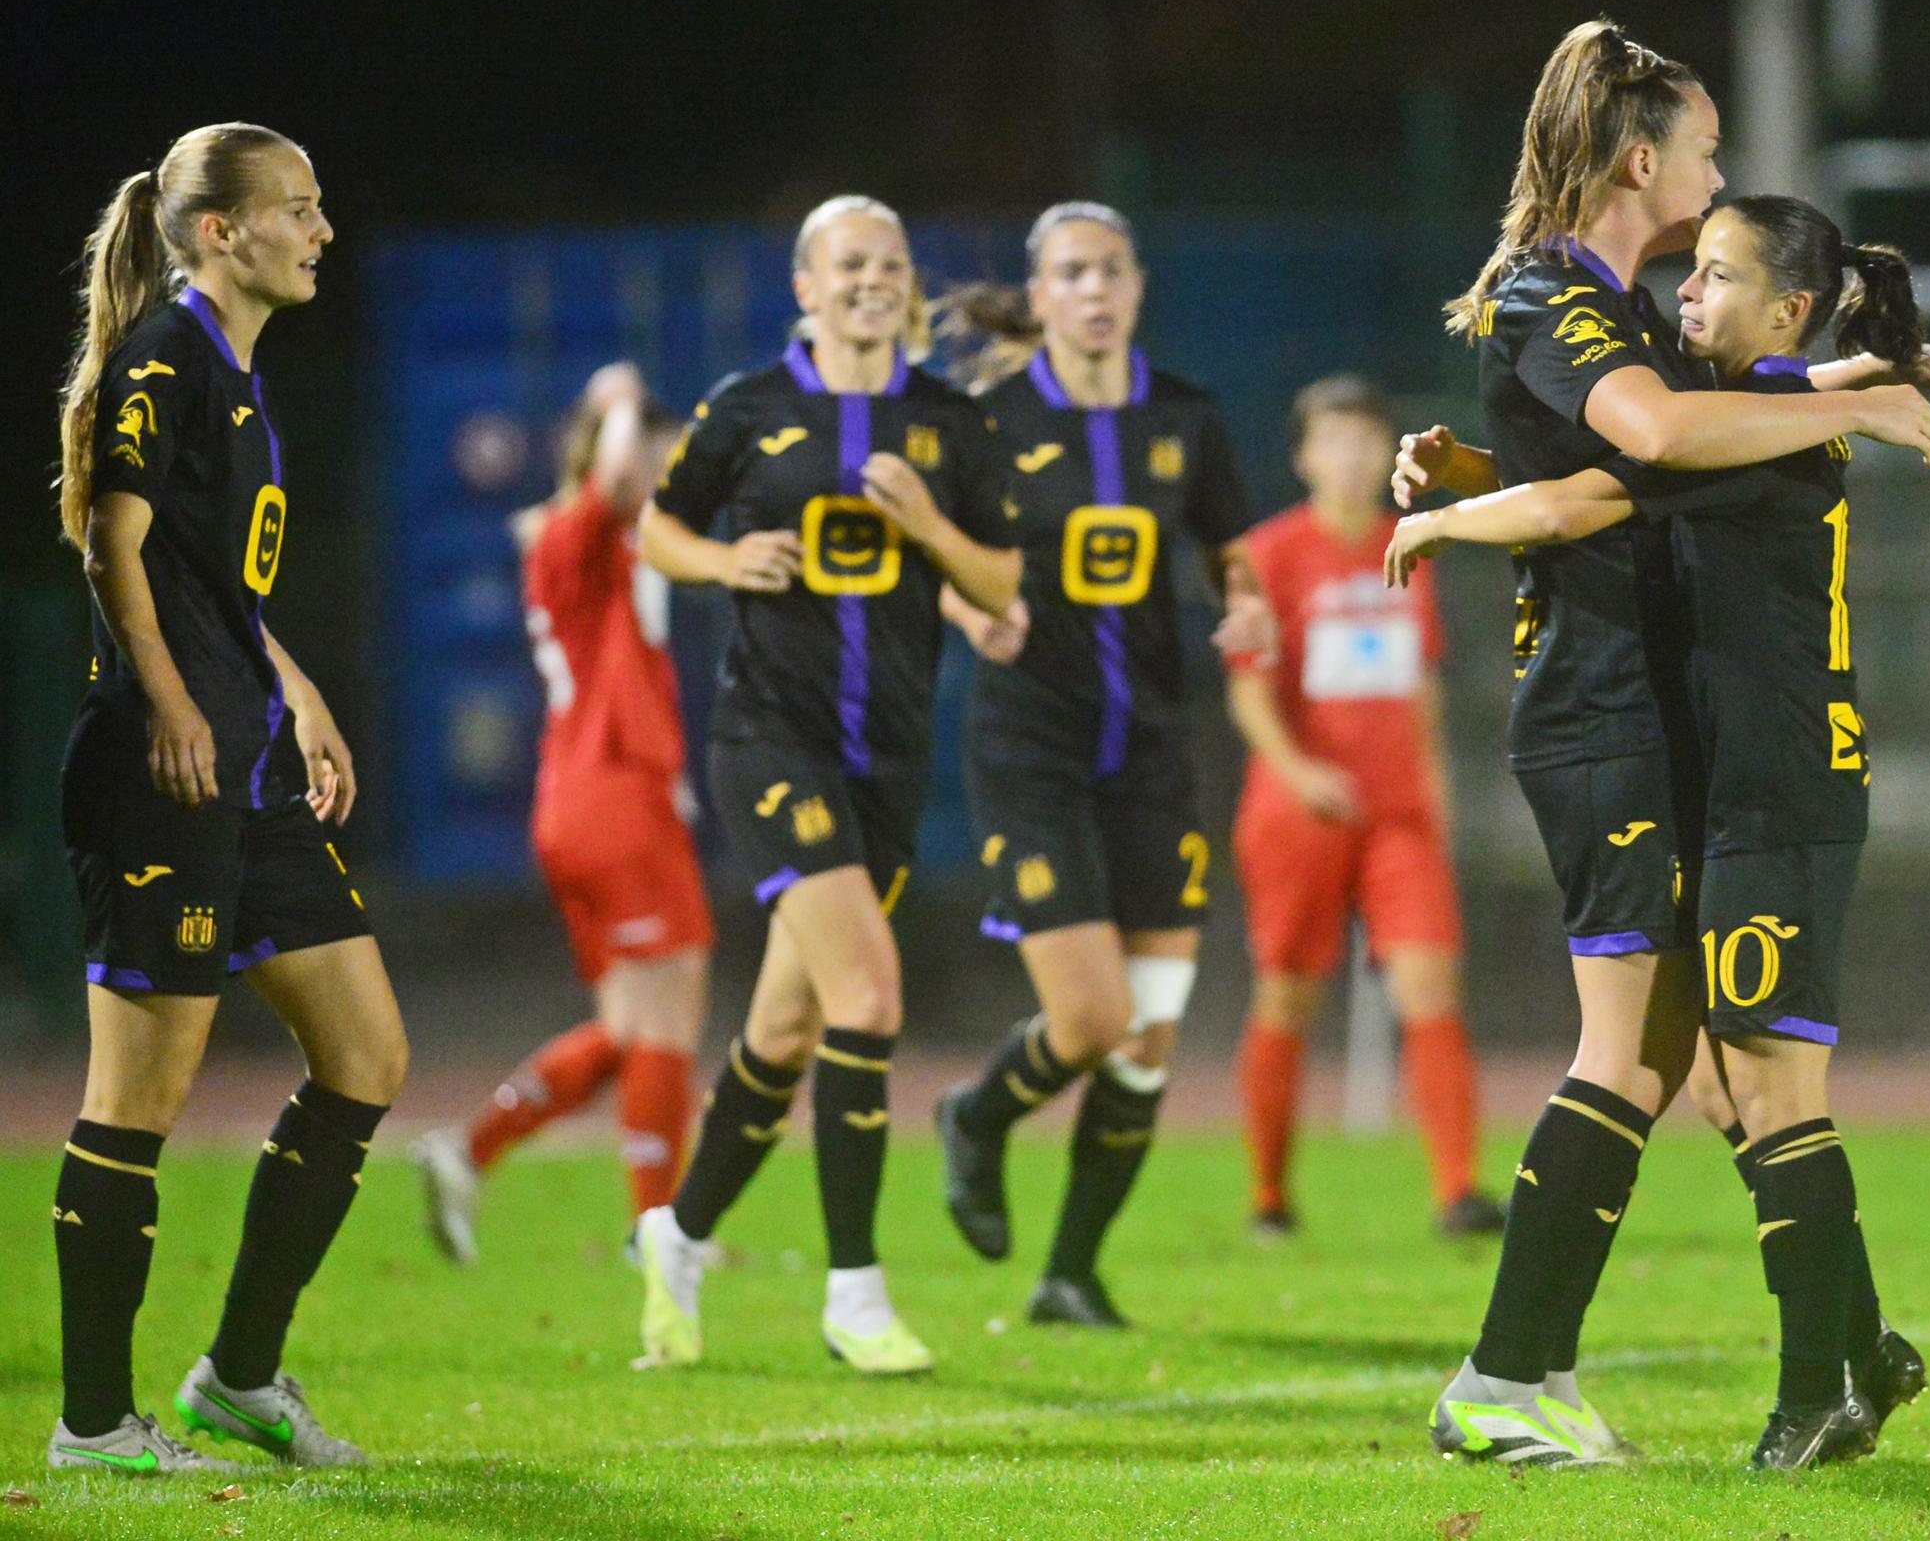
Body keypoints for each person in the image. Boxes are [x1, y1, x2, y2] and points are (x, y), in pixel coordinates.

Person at [1387, 21, 1930, 1472]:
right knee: (1637, 1055)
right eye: (1708, 151)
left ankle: (1842, 1346)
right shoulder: (1564, 294)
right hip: (1602, 716)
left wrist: (1853, 377)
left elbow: (1617, 453)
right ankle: (1509, 1376)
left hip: (1647, 718)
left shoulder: (1626, 308)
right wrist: (1854, 394)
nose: (1723, 174)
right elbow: (1644, 444)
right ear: (1642, 160)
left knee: (1691, 1058)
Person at [47, 123, 407, 1475]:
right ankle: (92, 1423)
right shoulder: (165, 355)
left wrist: (291, 690)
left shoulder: (244, 382)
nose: (320, 232)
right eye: (296, 210)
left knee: (367, 1055)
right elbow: (111, 537)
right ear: (220, 231)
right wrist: (178, 704)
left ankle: (239, 1379)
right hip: (165, 772)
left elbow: (215, 586)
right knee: (140, 1094)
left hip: (247, 765)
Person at [625, 196, 1019, 1376]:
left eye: (891, 264)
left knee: (787, 1028)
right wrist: (723, 559)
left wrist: (932, 530)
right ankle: (855, 1293)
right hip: (769, 741)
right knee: (868, 997)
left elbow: (1001, 585)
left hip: (885, 760)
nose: (871, 280)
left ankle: (678, 1235)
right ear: (805, 285)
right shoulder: (747, 408)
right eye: (849, 263)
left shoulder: (948, 421)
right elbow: (657, 529)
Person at [932, 201, 1275, 1328]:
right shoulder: (983, 422)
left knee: (1149, 1035)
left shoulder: (1183, 417)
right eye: (1070, 272)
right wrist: (965, 610)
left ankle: (1069, 1273)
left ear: (1134, 289)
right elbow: (931, 555)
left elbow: (1230, 549)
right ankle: (978, 1117)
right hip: (1030, 746)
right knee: (1087, 1022)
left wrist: (1247, 603)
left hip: (1155, 752)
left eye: (1110, 270)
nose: (1092, 289)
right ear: (1039, 295)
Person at [410, 363, 711, 1261]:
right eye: (656, 458)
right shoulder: (586, 530)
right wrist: (618, 400)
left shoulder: (584, 541)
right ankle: (658, 1231)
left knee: (630, 1031)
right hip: (617, 795)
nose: (660, 475)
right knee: (669, 1021)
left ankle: (469, 1153)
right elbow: (618, 474)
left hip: (580, 799)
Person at [1225, 373, 1500, 1238]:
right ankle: (1269, 1197)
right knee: (1288, 997)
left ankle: (1457, 1191)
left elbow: (1419, 685)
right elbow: (1246, 689)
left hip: (1396, 813)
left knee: (1428, 981)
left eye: (1363, 441)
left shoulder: (1410, 546)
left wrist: (1436, 797)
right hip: (1297, 811)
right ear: (1304, 455)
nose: (1348, 458)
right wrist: (1298, 773)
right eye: (1332, 441)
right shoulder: (1266, 555)